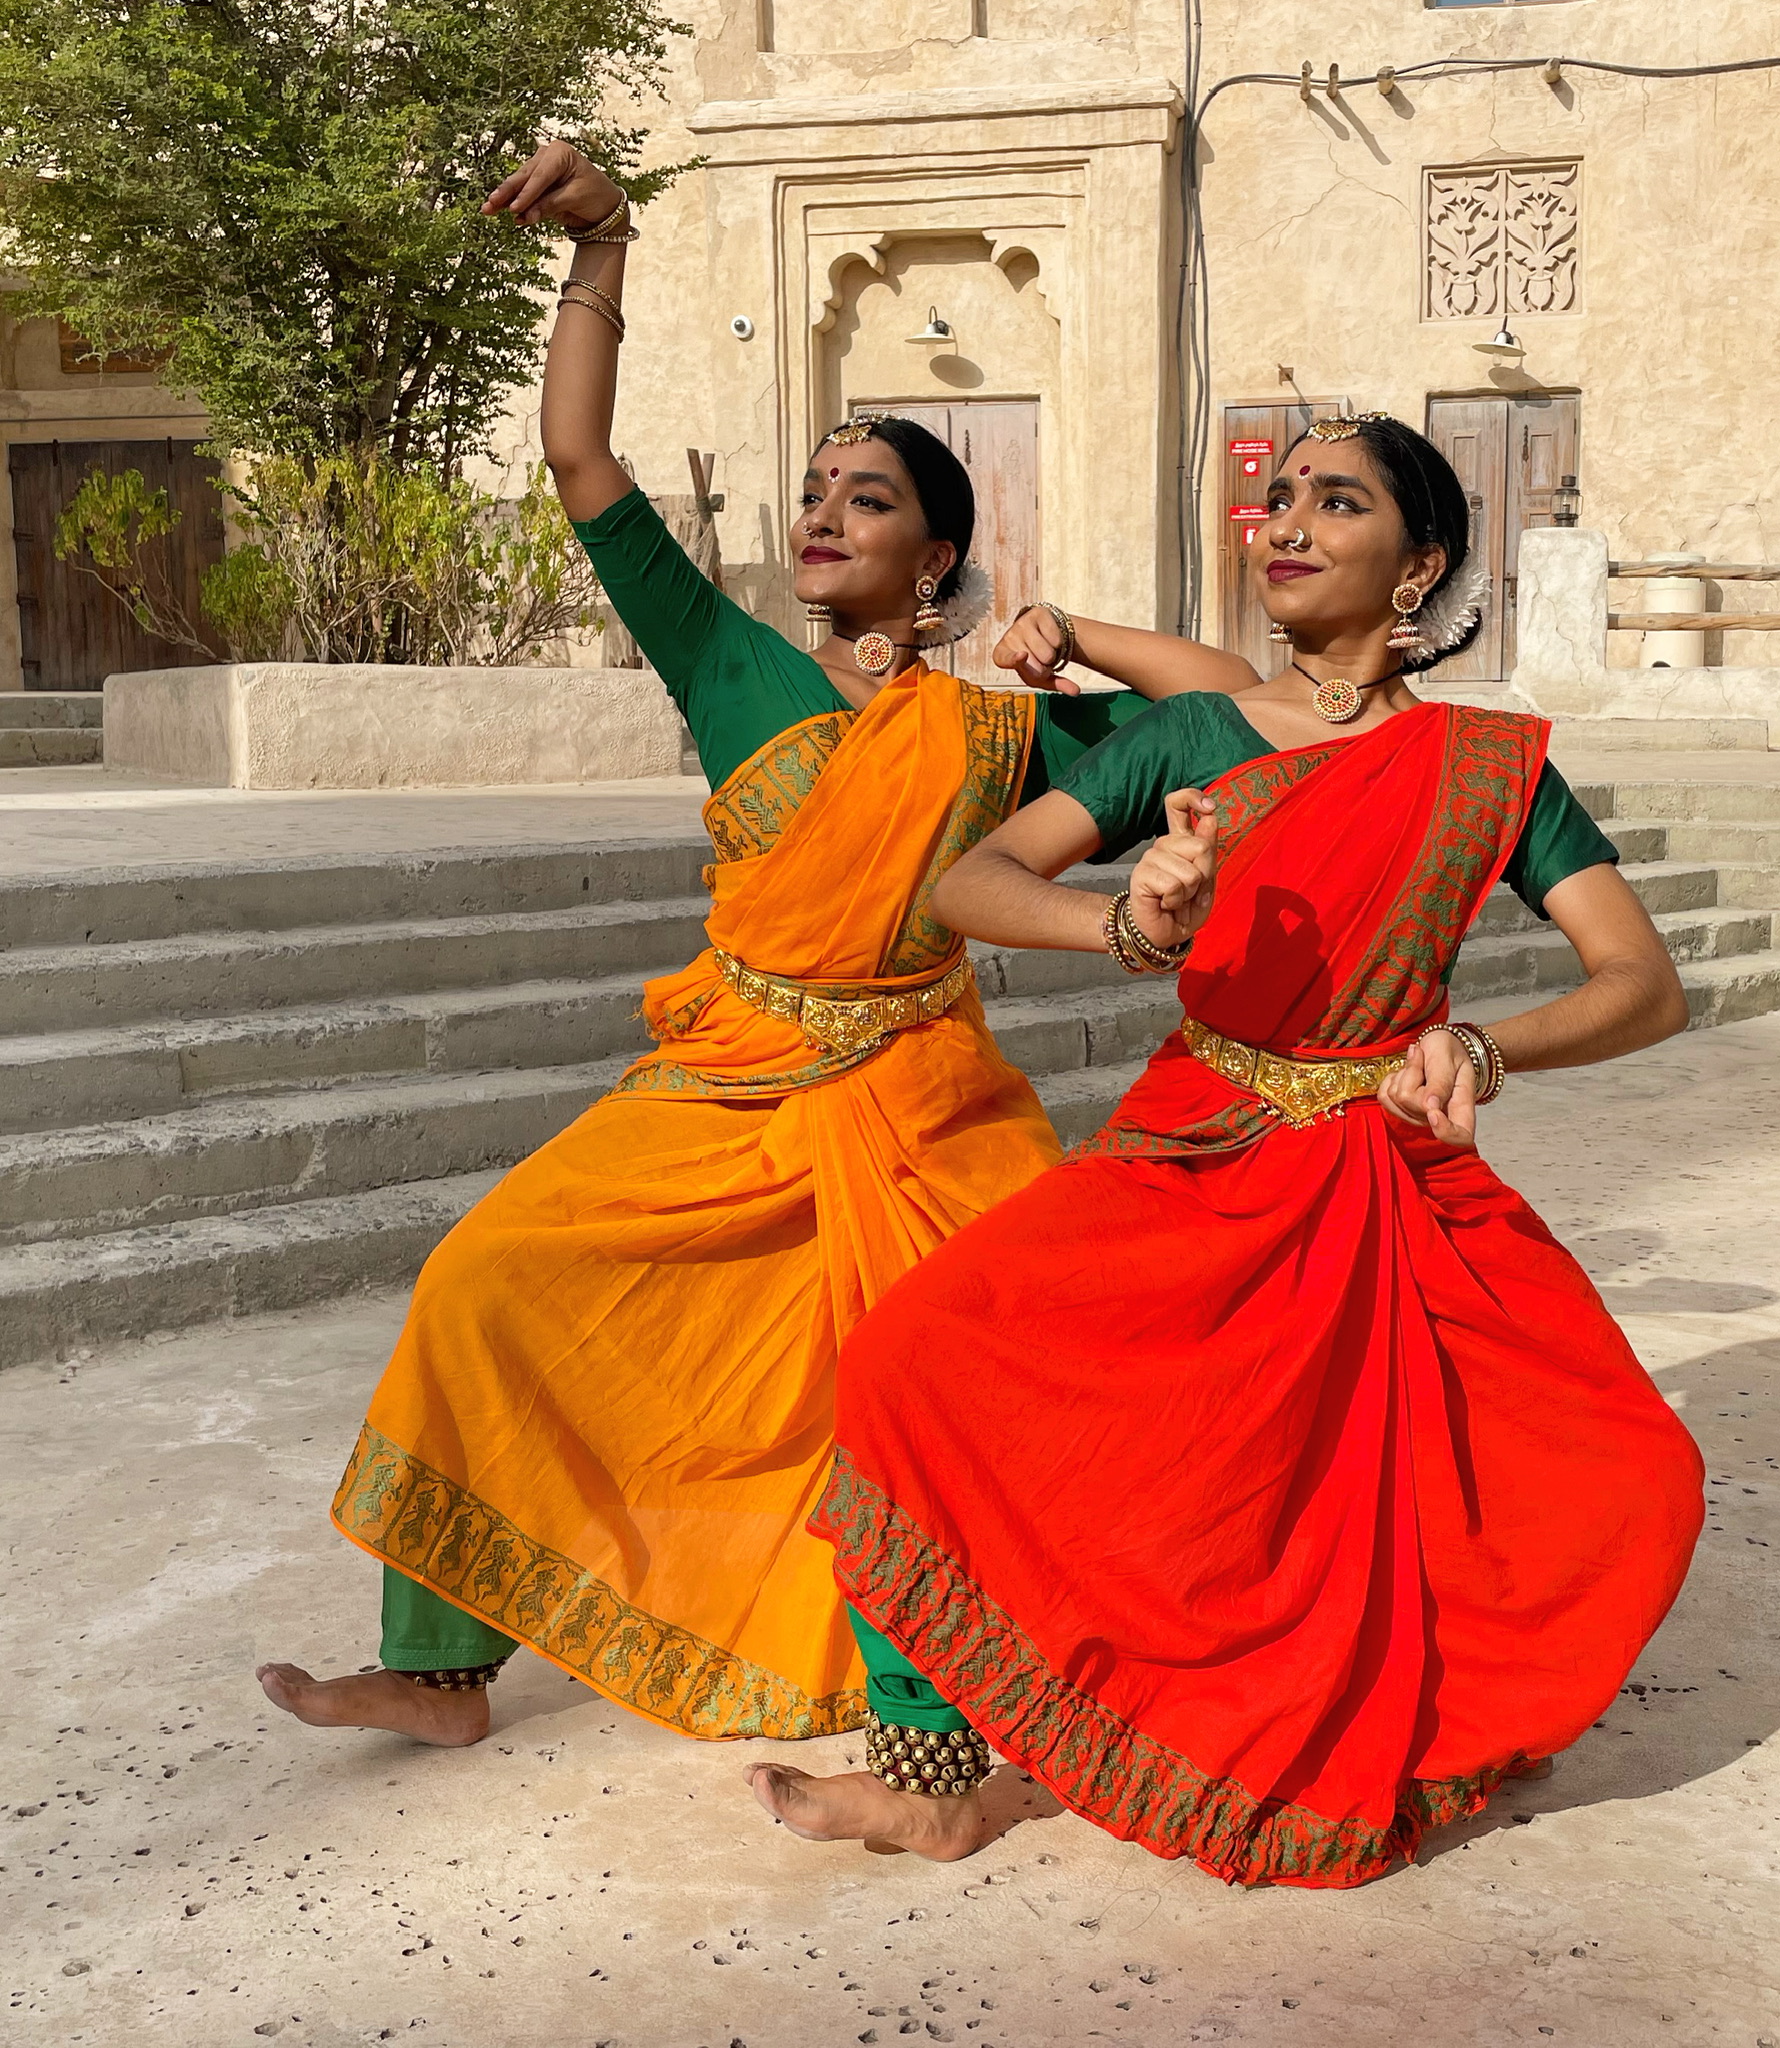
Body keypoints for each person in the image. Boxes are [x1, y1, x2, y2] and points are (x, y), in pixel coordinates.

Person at [257, 141, 1241, 1749]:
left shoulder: (1005, 740)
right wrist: (605, 247)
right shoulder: (728, 662)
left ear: (939, 556)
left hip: (919, 1097)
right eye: (814, 494)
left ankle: (993, 1672)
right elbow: (579, 458)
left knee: (983, 1372)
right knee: (489, 1277)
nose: (823, 516)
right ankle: (440, 1669)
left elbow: (1225, 709)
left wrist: (1085, 640)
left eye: (870, 498)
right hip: (728, 1074)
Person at [746, 412, 1708, 1885]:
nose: (1287, 524)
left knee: (1608, 1477)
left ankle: (1419, 1719)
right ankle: (931, 1772)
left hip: (1385, 1171)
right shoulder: (1194, 735)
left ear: (1418, 567)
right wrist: (1130, 917)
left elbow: (1641, 981)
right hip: (1196, 1141)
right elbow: (974, 882)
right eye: (1276, 501)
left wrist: (1489, 1048)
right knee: (907, 1367)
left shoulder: (1485, 765)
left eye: (1337, 501)